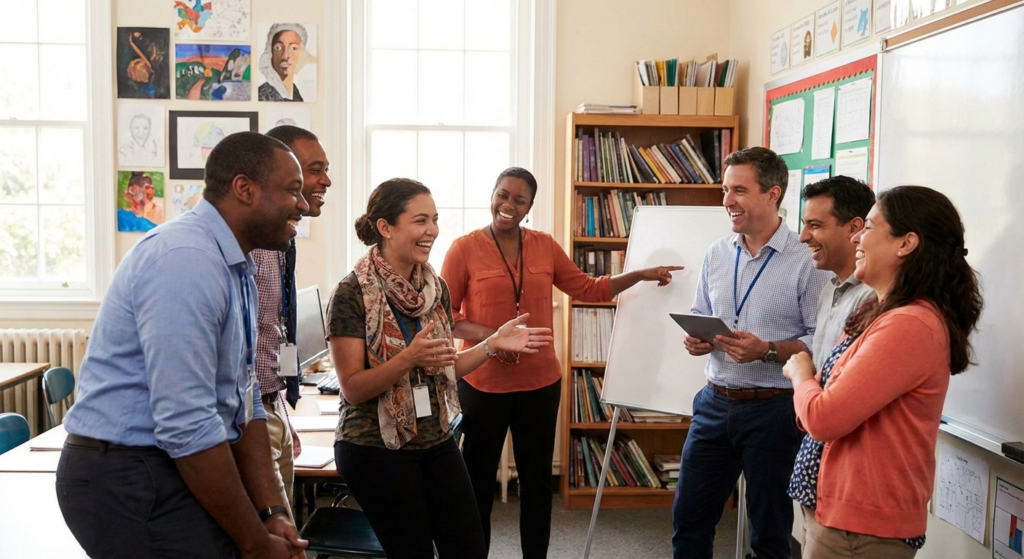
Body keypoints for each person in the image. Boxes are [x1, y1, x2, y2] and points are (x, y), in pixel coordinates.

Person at [56, 131, 310, 559]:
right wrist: (253, 544)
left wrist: (272, 512)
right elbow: (186, 423)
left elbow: (245, 399)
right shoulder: (186, 259)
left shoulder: (235, 264)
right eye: (293, 191)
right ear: (244, 189)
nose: (303, 206)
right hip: (129, 475)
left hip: (170, 462)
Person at [439, 166, 682, 557]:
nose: (508, 205)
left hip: (539, 384)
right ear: (493, 194)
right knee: (477, 483)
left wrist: (637, 275)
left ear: (529, 207)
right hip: (483, 384)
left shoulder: (544, 245)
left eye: (519, 200)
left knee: (536, 485)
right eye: (503, 195)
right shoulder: (463, 248)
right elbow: (447, 316)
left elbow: (588, 288)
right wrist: (494, 337)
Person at [326, 177, 555, 558]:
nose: (432, 230)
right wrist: (408, 359)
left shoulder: (435, 288)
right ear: (385, 227)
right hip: (374, 447)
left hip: (435, 438)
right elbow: (352, 388)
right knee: (414, 551)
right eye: (420, 221)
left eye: (434, 219)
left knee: (469, 548)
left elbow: (447, 368)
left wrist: (491, 345)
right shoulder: (351, 294)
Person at [783, 186, 983, 558]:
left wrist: (801, 373)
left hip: (860, 529)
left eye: (870, 227)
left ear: (906, 244)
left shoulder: (910, 325)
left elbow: (824, 418)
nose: (857, 237)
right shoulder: (879, 311)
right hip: (836, 513)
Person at [672, 147, 830, 559]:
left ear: (772, 193)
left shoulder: (807, 260)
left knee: (771, 533)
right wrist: (698, 338)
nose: (727, 201)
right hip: (714, 403)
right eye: (726, 190)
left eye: (739, 190)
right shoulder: (717, 252)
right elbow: (700, 313)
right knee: (688, 523)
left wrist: (768, 351)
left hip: (774, 411)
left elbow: (823, 343)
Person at [250, 125, 333, 515]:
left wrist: (280, 414)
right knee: (269, 529)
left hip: (270, 403)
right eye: (315, 169)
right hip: (249, 415)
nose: (325, 180)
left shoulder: (281, 238)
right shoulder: (251, 247)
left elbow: (271, 332)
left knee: (283, 528)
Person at [798, 176, 876, 372]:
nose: (803, 237)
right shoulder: (830, 288)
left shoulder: (873, 296)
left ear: (854, 228)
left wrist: (801, 375)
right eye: (804, 224)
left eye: (814, 225)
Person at [258, 23, 311, 102]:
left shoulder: (297, 97)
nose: (285, 56)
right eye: (278, 47)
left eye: (293, 48)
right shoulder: (261, 95)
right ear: (270, 53)